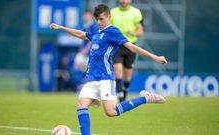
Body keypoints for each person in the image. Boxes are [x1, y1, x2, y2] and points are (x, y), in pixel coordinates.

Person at [50, 4, 167, 135]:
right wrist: (61, 27)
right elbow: (81, 34)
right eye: (97, 20)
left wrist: (155, 57)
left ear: (108, 17)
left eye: (101, 19)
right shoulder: (97, 32)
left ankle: (145, 98)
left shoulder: (113, 32)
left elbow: (132, 47)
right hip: (91, 79)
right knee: (81, 106)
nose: (99, 22)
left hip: (105, 78)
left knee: (111, 112)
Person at [111, 0, 144, 102]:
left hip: (130, 46)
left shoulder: (136, 12)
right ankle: (120, 94)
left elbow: (140, 32)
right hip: (117, 45)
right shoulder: (112, 12)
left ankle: (124, 90)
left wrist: (132, 32)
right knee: (117, 70)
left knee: (127, 77)